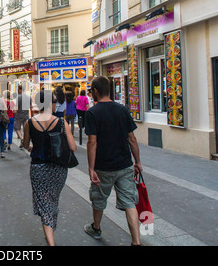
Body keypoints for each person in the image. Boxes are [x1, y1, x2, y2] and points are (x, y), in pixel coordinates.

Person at [84, 76, 143, 246]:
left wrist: (91, 168)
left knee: (99, 199)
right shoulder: (122, 110)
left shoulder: (92, 112)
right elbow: (132, 138)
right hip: (125, 164)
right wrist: (137, 162)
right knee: (129, 202)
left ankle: (96, 228)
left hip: (103, 166)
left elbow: (92, 142)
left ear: (95, 91)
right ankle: (136, 241)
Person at [23, 90, 77, 246]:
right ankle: (50, 235)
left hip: (38, 168)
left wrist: (34, 146)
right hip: (58, 168)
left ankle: (50, 238)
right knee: (52, 200)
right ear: (49, 104)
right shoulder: (61, 122)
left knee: (45, 202)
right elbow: (73, 147)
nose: (55, 104)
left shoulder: (30, 122)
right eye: (54, 101)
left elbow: (26, 145)